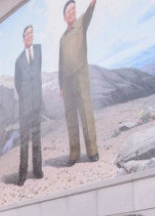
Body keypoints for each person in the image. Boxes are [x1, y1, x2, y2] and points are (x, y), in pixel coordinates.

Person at [59, 0, 98, 166]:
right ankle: (74, 154)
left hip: (80, 77)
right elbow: (60, 63)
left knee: (86, 113)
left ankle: (92, 151)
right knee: (71, 117)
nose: (72, 12)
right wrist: (61, 86)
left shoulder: (81, 22)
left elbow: (89, 13)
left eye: (74, 9)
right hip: (67, 83)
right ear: (64, 17)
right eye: (69, 11)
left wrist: (92, 4)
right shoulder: (62, 38)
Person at [15, 25, 43, 185]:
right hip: (25, 108)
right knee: (24, 141)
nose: (30, 36)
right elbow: (17, 84)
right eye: (27, 33)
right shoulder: (19, 60)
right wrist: (26, 99)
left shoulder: (39, 51)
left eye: (32, 32)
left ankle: (38, 171)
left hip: (36, 104)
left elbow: (37, 75)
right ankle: (22, 175)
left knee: (37, 139)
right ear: (23, 38)